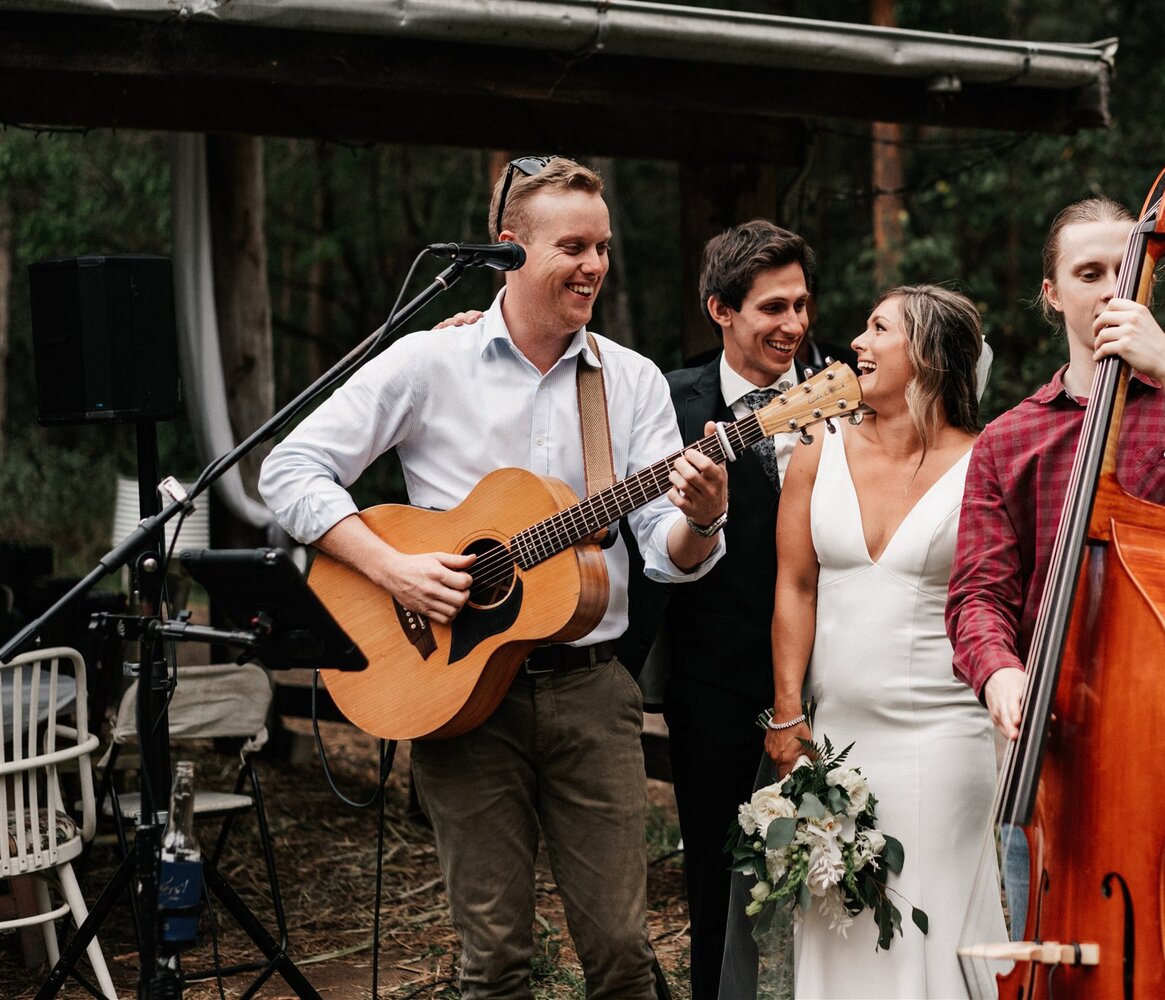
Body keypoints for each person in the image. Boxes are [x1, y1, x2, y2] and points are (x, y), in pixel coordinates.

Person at [259, 157, 729, 999]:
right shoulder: (427, 364)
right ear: (509, 249)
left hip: (592, 692)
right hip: (456, 691)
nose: (594, 265)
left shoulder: (628, 380)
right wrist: (394, 569)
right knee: (495, 962)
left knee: (624, 952)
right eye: (573, 246)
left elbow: (663, 550)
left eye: (604, 247)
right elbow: (289, 468)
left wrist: (700, 518)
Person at [943, 196, 1165, 939]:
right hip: (1051, 733)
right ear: (1053, 293)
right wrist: (1000, 672)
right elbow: (979, 592)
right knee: (1044, 941)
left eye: (1125, 270)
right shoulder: (1009, 440)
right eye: (1088, 272)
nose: (1110, 288)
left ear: (1150, 282)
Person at [762, 284, 1006, 998]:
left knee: (928, 921)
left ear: (928, 354)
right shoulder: (818, 444)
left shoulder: (987, 461)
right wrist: (786, 711)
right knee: (840, 926)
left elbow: (998, 597)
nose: (857, 345)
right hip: (836, 737)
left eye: (878, 329)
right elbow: (794, 585)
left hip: (945, 735)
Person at [619, 219, 818, 1000]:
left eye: (801, 304)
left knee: (842, 865)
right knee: (713, 874)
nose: (794, 325)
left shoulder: (845, 391)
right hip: (712, 679)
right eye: (773, 307)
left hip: (830, 671)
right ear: (721, 310)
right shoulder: (666, 400)